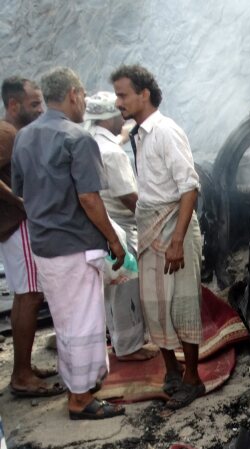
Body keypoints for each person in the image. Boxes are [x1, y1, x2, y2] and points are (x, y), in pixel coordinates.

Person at [11, 67, 126, 420]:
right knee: (83, 324)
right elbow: (90, 199)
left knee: (65, 321)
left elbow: (19, 191)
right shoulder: (77, 138)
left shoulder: (24, 138)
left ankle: (81, 388)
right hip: (74, 246)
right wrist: (114, 241)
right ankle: (80, 399)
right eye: (84, 98)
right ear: (75, 95)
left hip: (44, 245)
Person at [111, 64, 205, 410]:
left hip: (173, 227)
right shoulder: (138, 133)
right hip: (150, 226)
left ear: (143, 94)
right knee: (153, 305)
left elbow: (190, 188)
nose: (118, 102)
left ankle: (193, 379)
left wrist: (178, 239)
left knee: (182, 304)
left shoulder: (166, 131)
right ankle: (172, 370)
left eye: (123, 94)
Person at [0, 77, 65, 398]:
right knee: (29, 296)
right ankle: (22, 375)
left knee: (28, 295)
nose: (41, 109)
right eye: (35, 103)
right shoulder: (6, 133)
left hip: (18, 226)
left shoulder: (15, 134)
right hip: (19, 226)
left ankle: (24, 369)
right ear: (14, 105)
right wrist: (19, 200)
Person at [84, 91, 158, 363]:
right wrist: (154, 218)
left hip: (100, 227)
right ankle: (129, 347)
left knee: (111, 289)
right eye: (118, 112)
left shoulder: (90, 140)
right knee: (126, 290)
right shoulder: (113, 154)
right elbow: (129, 197)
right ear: (108, 117)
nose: (122, 115)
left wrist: (123, 136)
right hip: (123, 228)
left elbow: (115, 139)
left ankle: (120, 341)